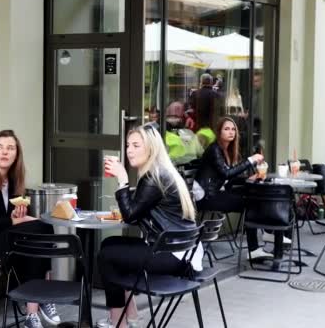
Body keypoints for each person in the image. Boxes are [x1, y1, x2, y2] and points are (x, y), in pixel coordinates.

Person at [97, 124, 201, 328]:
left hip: (173, 255)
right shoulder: (161, 171)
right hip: (184, 251)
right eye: (128, 145)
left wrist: (122, 179)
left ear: (151, 148)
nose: (129, 150)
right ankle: (132, 315)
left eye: (136, 145)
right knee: (110, 244)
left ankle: (118, 322)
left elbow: (129, 216)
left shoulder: (154, 177)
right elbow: (137, 214)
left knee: (106, 256)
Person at [0, 129, 60, 328]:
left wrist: (20, 217)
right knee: (35, 238)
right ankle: (39, 301)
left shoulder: (14, 179)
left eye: (10, 148)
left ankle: (36, 306)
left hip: (8, 236)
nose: (4, 152)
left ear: (17, 154)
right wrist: (15, 221)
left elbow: (11, 219)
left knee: (43, 229)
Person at [194, 117, 274, 259]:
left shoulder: (226, 150)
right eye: (226, 129)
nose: (231, 132)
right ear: (219, 132)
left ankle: (268, 232)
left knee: (255, 194)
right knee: (249, 203)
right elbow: (226, 173)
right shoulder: (214, 149)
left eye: (233, 129)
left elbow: (227, 176)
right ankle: (255, 248)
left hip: (216, 191)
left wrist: (248, 179)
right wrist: (250, 160)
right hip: (206, 196)